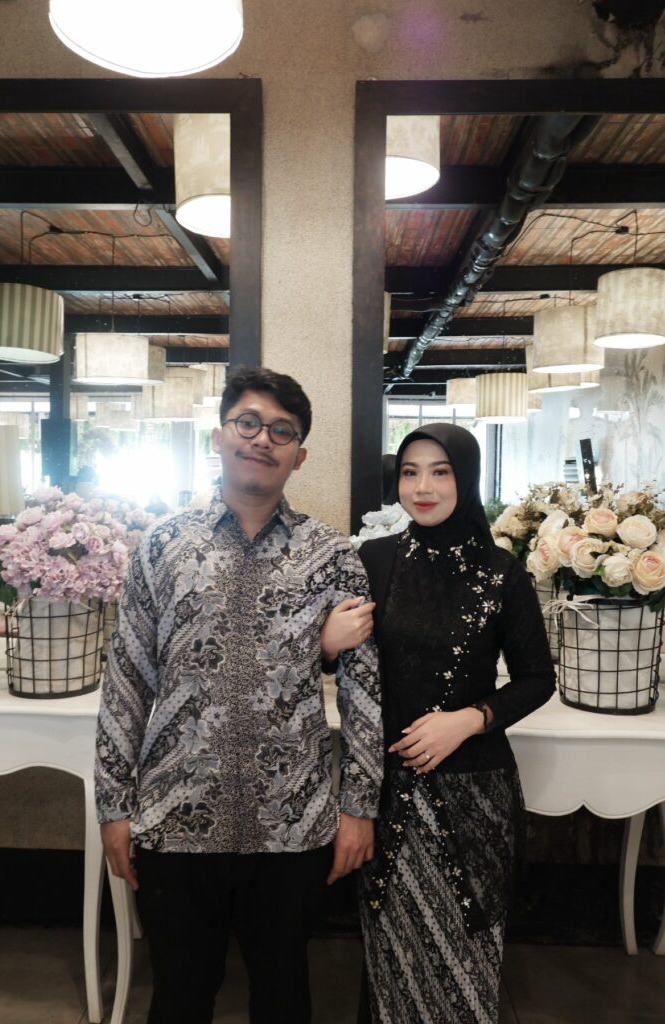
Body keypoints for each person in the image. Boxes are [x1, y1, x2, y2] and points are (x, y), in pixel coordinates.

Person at [95, 367, 383, 1024]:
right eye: (247, 423)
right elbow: (127, 680)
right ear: (219, 436)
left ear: (298, 455)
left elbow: (364, 694)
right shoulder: (162, 545)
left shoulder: (331, 555)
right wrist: (113, 807)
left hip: (292, 822)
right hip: (174, 817)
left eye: (281, 431)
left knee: (284, 996)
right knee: (179, 997)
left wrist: (358, 808)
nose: (262, 439)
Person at [323, 423, 555, 1024]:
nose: (422, 487)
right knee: (393, 961)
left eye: (440, 471)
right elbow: (342, 663)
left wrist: (470, 720)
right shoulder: (374, 559)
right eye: (410, 472)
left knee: (464, 961)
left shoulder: (503, 572)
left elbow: (537, 679)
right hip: (390, 793)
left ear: (466, 478)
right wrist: (324, 644)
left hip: (473, 793)